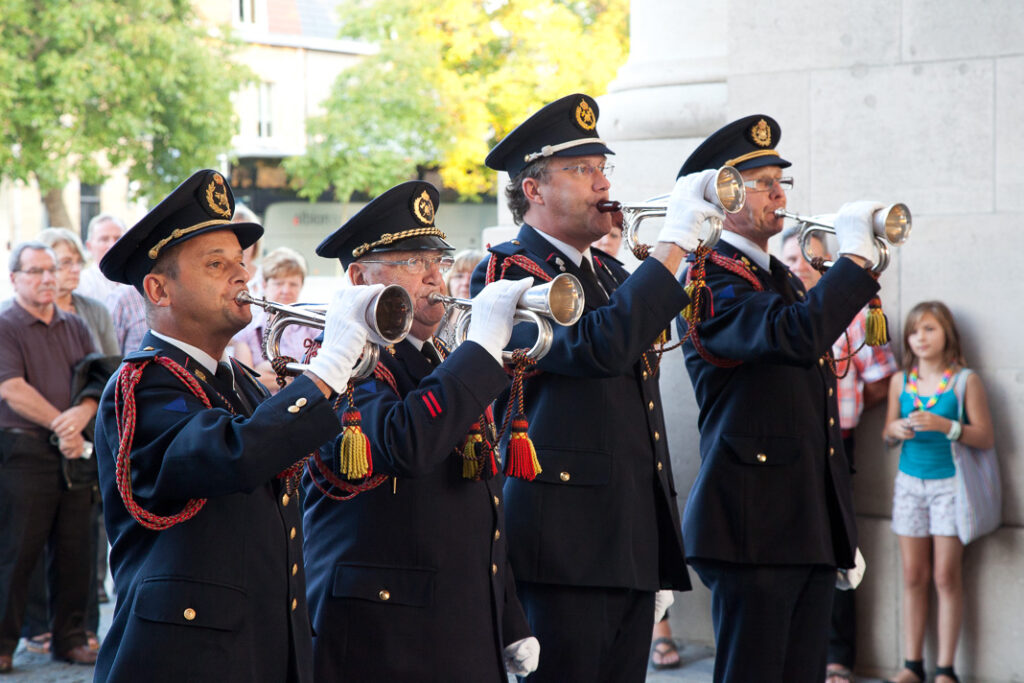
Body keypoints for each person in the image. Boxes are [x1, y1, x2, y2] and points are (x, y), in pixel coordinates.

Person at [92, 169, 373, 682]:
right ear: (159, 288)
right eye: (217, 265)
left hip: (260, 641)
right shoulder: (146, 383)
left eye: (241, 264)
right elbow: (231, 455)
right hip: (188, 656)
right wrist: (327, 368)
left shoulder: (237, 377)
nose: (242, 277)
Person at [470, 93, 707, 682]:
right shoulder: (507, 274)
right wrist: (673, 245)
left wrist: (649, 544)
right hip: (563, 548)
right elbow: (600, 346)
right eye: (582, 170)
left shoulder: (607, 273)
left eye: (603, 168)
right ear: (534, 189)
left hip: (625, 538)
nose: (602, 182)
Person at [675, 115, 884, 683]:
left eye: (779, 181)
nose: (777, 193)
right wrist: (855, 261)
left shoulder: (776, 279)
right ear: (722, 195)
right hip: (753, 527)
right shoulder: (709, 278)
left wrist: (835, 526)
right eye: (760, 181)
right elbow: (797, 335)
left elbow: (814, 419)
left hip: (800, 524)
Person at [303, 181, 539, 681]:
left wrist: (508, 617)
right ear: (359, 276)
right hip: (383, 634)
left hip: (456, 623)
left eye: (439, 261)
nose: (435, 276)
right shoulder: (344, 361)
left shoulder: (436, 358)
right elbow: (404, 444)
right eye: (413, 261)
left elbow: (481, 503)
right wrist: (483, 348)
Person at [780, 227, 899, 683]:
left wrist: (836, 414)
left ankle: (836, 657)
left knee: (836, 549)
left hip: (835, 445)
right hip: (785, 451)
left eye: (805, 258)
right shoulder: (777, 308)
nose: (797, 266)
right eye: (789, 259)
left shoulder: (850, 313)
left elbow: (882, 380)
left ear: (826, 262)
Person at [0, 241, 99, 672]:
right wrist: (65, 425)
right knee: (16, 551)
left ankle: (71, 639)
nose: (46, 278)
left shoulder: (75, 324)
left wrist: (80, 418)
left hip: (74, 448)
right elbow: (10, 388)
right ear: (14, 278)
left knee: (77, 548)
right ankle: (4, 644)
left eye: (51, 270)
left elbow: (98, 379)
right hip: (23, 450)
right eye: (35, 271)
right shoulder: (5, 325)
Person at [882, 302, 992, 683]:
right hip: (909, 486)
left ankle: (946, 669)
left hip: (951, 487)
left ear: (947, 333)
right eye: (914, 331)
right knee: (913, 575)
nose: (920, 338)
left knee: (946, 576)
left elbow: (986, 437)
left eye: (929, 329)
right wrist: (893, 431)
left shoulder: (965, 381)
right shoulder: (900, 381)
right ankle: (912, 665)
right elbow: (885, 434)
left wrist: (948, 425)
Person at [234, 247, 319, 392]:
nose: (286, 290)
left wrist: (268, 369)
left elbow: (323, 374)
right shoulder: (248, 330)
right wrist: (297, 376)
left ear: (301, 286)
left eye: (293, 284)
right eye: (279, 283)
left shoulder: (314, 328)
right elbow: (245, 383)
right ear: (264, 285)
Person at [76, 214, 126, 305]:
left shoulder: (138, 281)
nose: (112, 245)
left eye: (118, 238)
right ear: (89, 247)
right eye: (104, 239)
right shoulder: (80, 284)